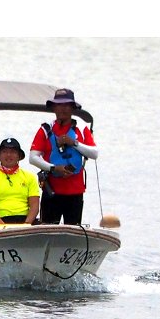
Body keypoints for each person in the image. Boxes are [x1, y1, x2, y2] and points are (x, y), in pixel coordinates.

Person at [29, 88, 99, 225]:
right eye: (59, 105)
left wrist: (74, 143)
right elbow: (33, 157)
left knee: (73, 229)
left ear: (73, 108)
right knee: (47, 229)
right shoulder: (45, 129)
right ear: (54, 107)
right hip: (52, 191)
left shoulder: (82, 128)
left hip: (75, 192)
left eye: (67, 105)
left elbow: (94, 153)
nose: (63, 109)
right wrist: (54, 168)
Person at [0, 138, 41, 225]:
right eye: (4, 151)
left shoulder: (30, 177)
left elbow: (34, 206)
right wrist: (1, 225)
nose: (8, 155)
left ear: (19, 156)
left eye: (13, 152)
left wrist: (26, 224)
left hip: (24, 220)